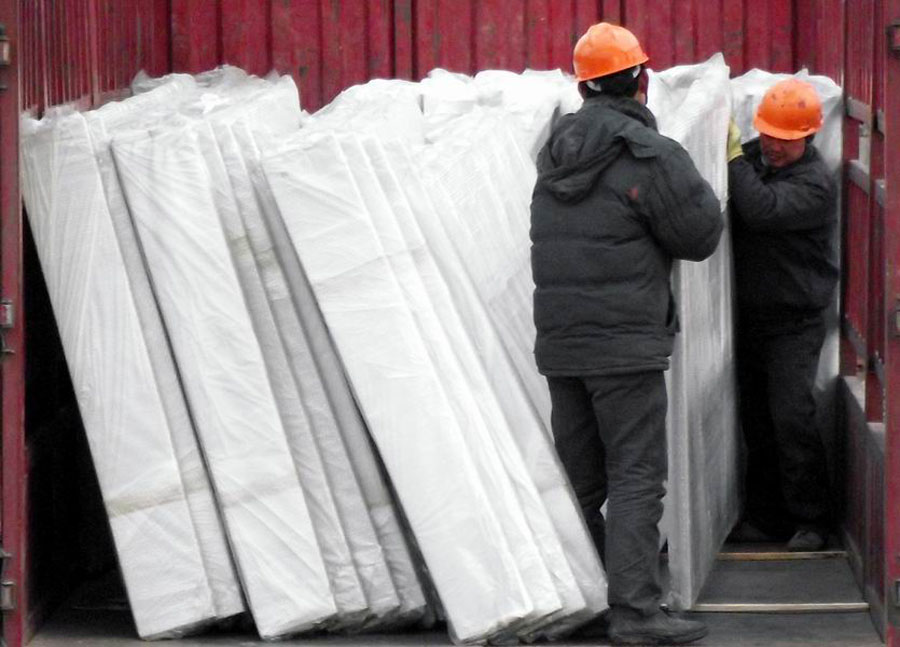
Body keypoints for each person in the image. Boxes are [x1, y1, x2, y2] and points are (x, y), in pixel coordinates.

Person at [530, 22, 723, 645]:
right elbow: (699, 237)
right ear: (641, 79)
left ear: (583, 86)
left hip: (562, 344)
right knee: (636, 476)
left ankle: (581, 602)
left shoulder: (553, 153)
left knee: (579, 479)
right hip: (625, 346)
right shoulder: (651, 154)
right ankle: (636, 613)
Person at [727, 79, 838, 552]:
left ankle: (811, 520)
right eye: (768, 135)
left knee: (791, 416)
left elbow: (761, 210)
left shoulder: (814, 184)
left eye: (784, 140)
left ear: (808, 138)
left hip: (795, 321)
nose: (772, 146)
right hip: (752, 317)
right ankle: (767, 517)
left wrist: (731, 158)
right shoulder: (757, 158)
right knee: (757, 420)